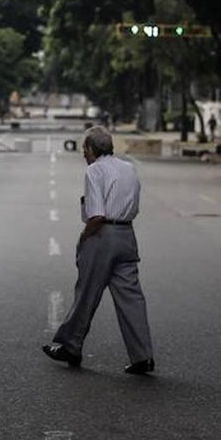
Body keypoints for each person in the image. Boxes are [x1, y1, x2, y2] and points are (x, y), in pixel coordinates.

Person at [42, 126, 155, 374]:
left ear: (92, 149)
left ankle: (70, 346)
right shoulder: (129, 168)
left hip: (103, 235)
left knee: (86, 293)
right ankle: (143, 356)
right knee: (131, 298)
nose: (83, 153)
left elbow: (96, 215)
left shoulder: (94, 170)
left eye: (84, 148)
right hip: (127, 235)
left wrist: (84, 237)